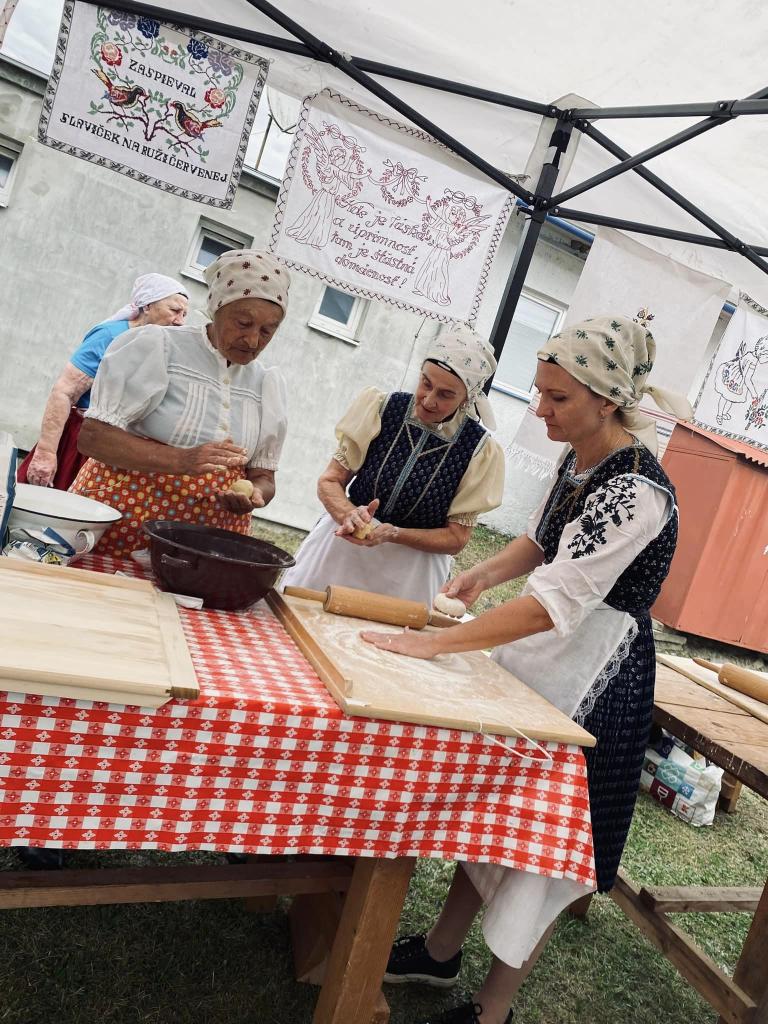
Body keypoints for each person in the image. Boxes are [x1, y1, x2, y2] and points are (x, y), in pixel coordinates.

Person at [361, 315, 693, 1024]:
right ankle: (441, 953)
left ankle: (494, 1009)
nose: (539, 408)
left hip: (596, 679)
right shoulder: (582, 458)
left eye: (557, 397)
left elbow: (554, 604)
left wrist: (438, 645)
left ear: (606, 399)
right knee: (497, 813)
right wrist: (484, 574)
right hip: (546, 661)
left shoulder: (637, 491)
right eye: (541, 391)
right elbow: (544, 542)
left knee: (544, 851)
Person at [70, 250, 290, 558]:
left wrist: (255, 495)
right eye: (243, 323)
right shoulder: (160, 347)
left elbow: (264, 478)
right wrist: (181, 460)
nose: (253, 340)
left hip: (204, 544)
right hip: (124, 520)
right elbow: (94, 438)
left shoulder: (266, 384)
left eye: (267, 331)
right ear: (216, 309)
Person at [281, 324, 505, 605]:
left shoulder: (479, 450)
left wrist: (395, 534)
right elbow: (330, 480)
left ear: (467, 398)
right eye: (426, 383)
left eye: (446, 394)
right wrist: (348, 514)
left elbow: (456, 537)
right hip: (342, 553)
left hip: (410, 575)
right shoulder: (382, 408)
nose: (429, 400)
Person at [18, 275, 189, 490]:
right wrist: (46, 453)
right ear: (147, 305)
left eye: (184, 314)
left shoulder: (161, 348)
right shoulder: (109, 336)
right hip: (81, 442)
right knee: (52, 504)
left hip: (118, 448)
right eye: (174, 310)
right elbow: (64, 392)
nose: (180, 321)